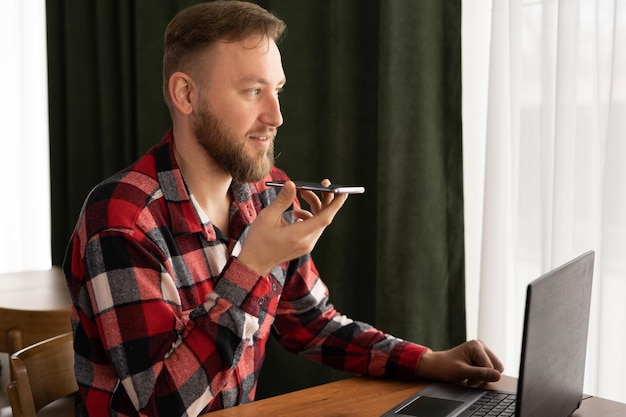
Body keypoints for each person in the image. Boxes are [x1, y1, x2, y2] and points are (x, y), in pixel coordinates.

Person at [63, 1, 503, 416]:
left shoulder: (264, 193)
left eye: (277, 90)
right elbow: (162, 406)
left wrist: (428, 361)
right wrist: (253, 263)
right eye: (253, 91)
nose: (276, 116)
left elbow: (312, 323)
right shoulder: (122, 221)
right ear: (185, 94)